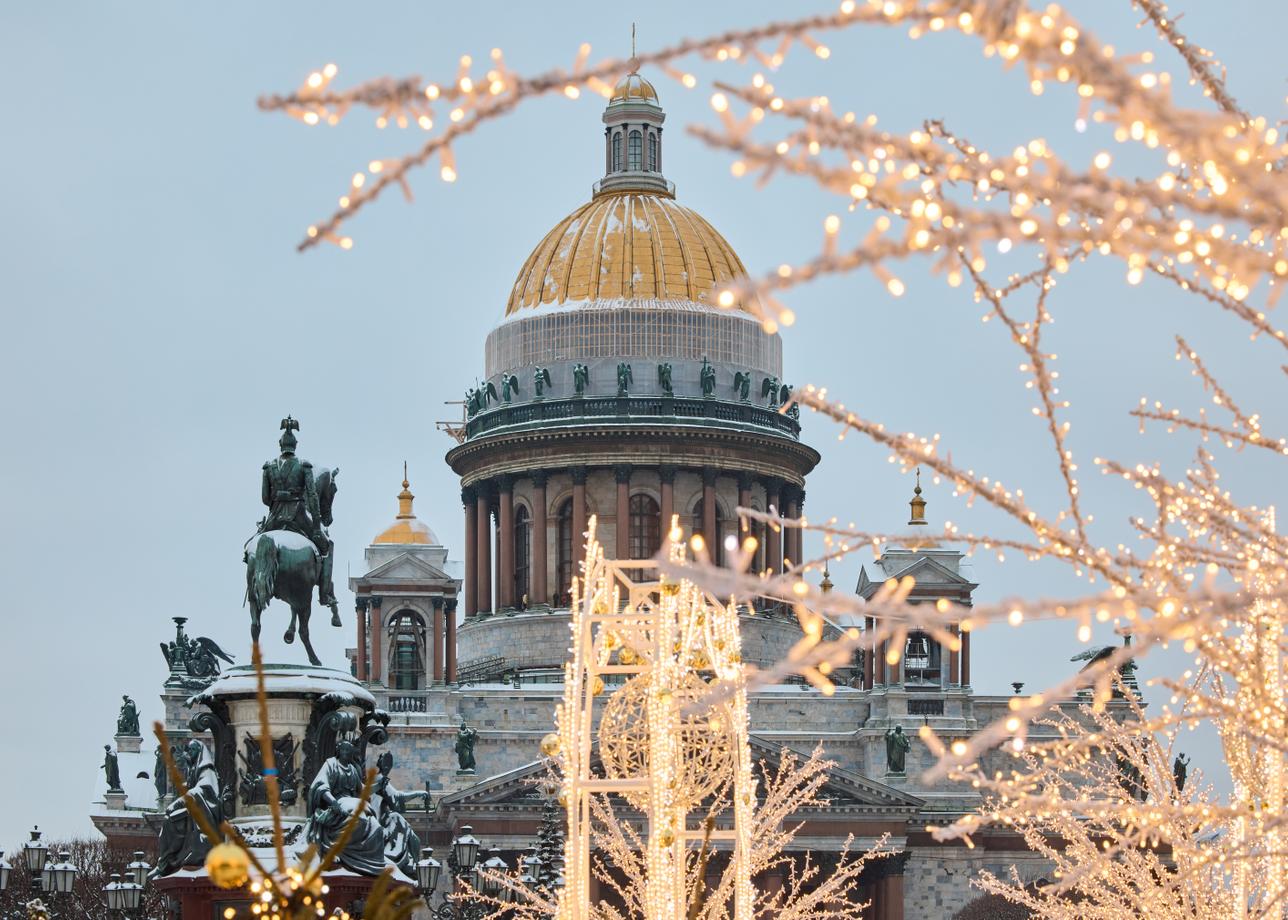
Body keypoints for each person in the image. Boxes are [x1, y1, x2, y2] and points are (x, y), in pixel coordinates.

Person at [258, 417, 337, 609]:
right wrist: (316, 525)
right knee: (327, 547)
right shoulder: (303, 466)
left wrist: (278, 499)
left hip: (274, 518)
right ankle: (325, 594)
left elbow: (265, 498)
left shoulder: (268, 467)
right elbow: (312, 496)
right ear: (295, 445)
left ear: (280, 445)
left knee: (250, 547)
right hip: (298, 516)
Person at [305, 741, 386, 875]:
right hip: (339, 802)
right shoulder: (331, 764)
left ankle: (371, 864)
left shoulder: (352, 769)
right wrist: (333, 802)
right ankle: (336, 850)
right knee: (359, 818)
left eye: (349, 751)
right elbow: (321, 786)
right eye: (344, 750)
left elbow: (363, 790)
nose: (347, 753)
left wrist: (379, 785)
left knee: (376, 828)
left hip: (352, 802)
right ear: (339, 751)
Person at [153, 740, 223, 877]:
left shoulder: (206, 768)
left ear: (200, 752)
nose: (189, 752)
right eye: (189, 750)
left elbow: (205, 789)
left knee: (170, 822)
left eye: (192, 750)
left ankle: (167, 861)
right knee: (168, 820)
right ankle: (166, 860)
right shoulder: (194, 768)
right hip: (195, 809)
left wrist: (180, 802)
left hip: (204, 811)